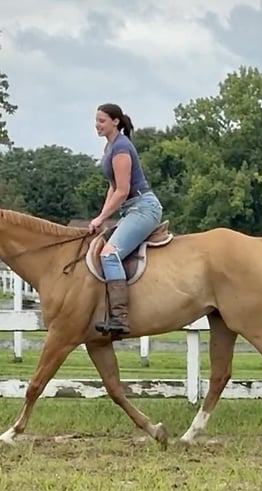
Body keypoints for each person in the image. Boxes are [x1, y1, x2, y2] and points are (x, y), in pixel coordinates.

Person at [88, 103, 163, 336]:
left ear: (115, 122)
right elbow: (112, 188)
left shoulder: (121, 148)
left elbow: (122, 190)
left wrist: (102, 216)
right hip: (129, 210)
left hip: (143, 208)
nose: (97, 125)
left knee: (109, 254)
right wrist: (100, 217)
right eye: (96, 120)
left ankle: (120, 318)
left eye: (102, 121)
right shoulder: (110, 147)